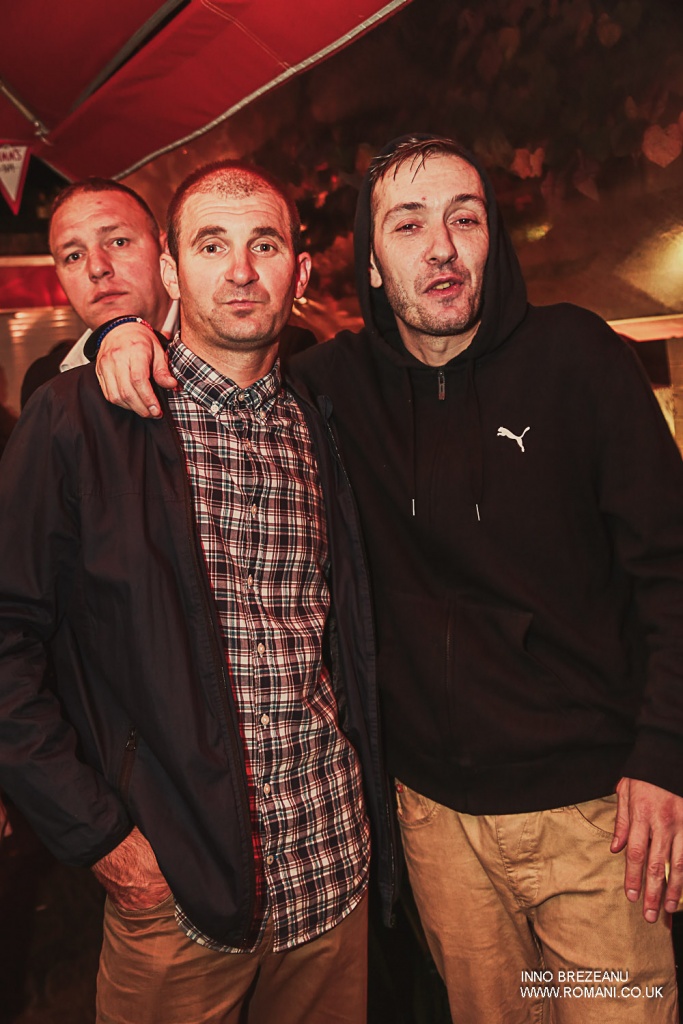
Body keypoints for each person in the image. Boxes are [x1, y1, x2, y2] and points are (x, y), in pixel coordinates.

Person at [95, 135, 683, 1023]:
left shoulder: (578, 358)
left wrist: (664, 755)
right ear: (371, 261)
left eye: (464, 219)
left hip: (595, 822)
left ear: (493, 239)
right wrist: (119, 332)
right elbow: (223, 357)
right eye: (408, 225)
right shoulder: (327, 389)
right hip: (432, 824)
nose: (440, 247)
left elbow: (669, 571)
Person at [0, 160, 395, 1024]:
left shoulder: (321, 418)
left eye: (265, 245)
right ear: (173, 272)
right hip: (177, 896)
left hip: (333, 870)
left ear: (300, 270)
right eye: (212, 246)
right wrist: (100, 837)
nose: (241, 271)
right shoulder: (77, 418)